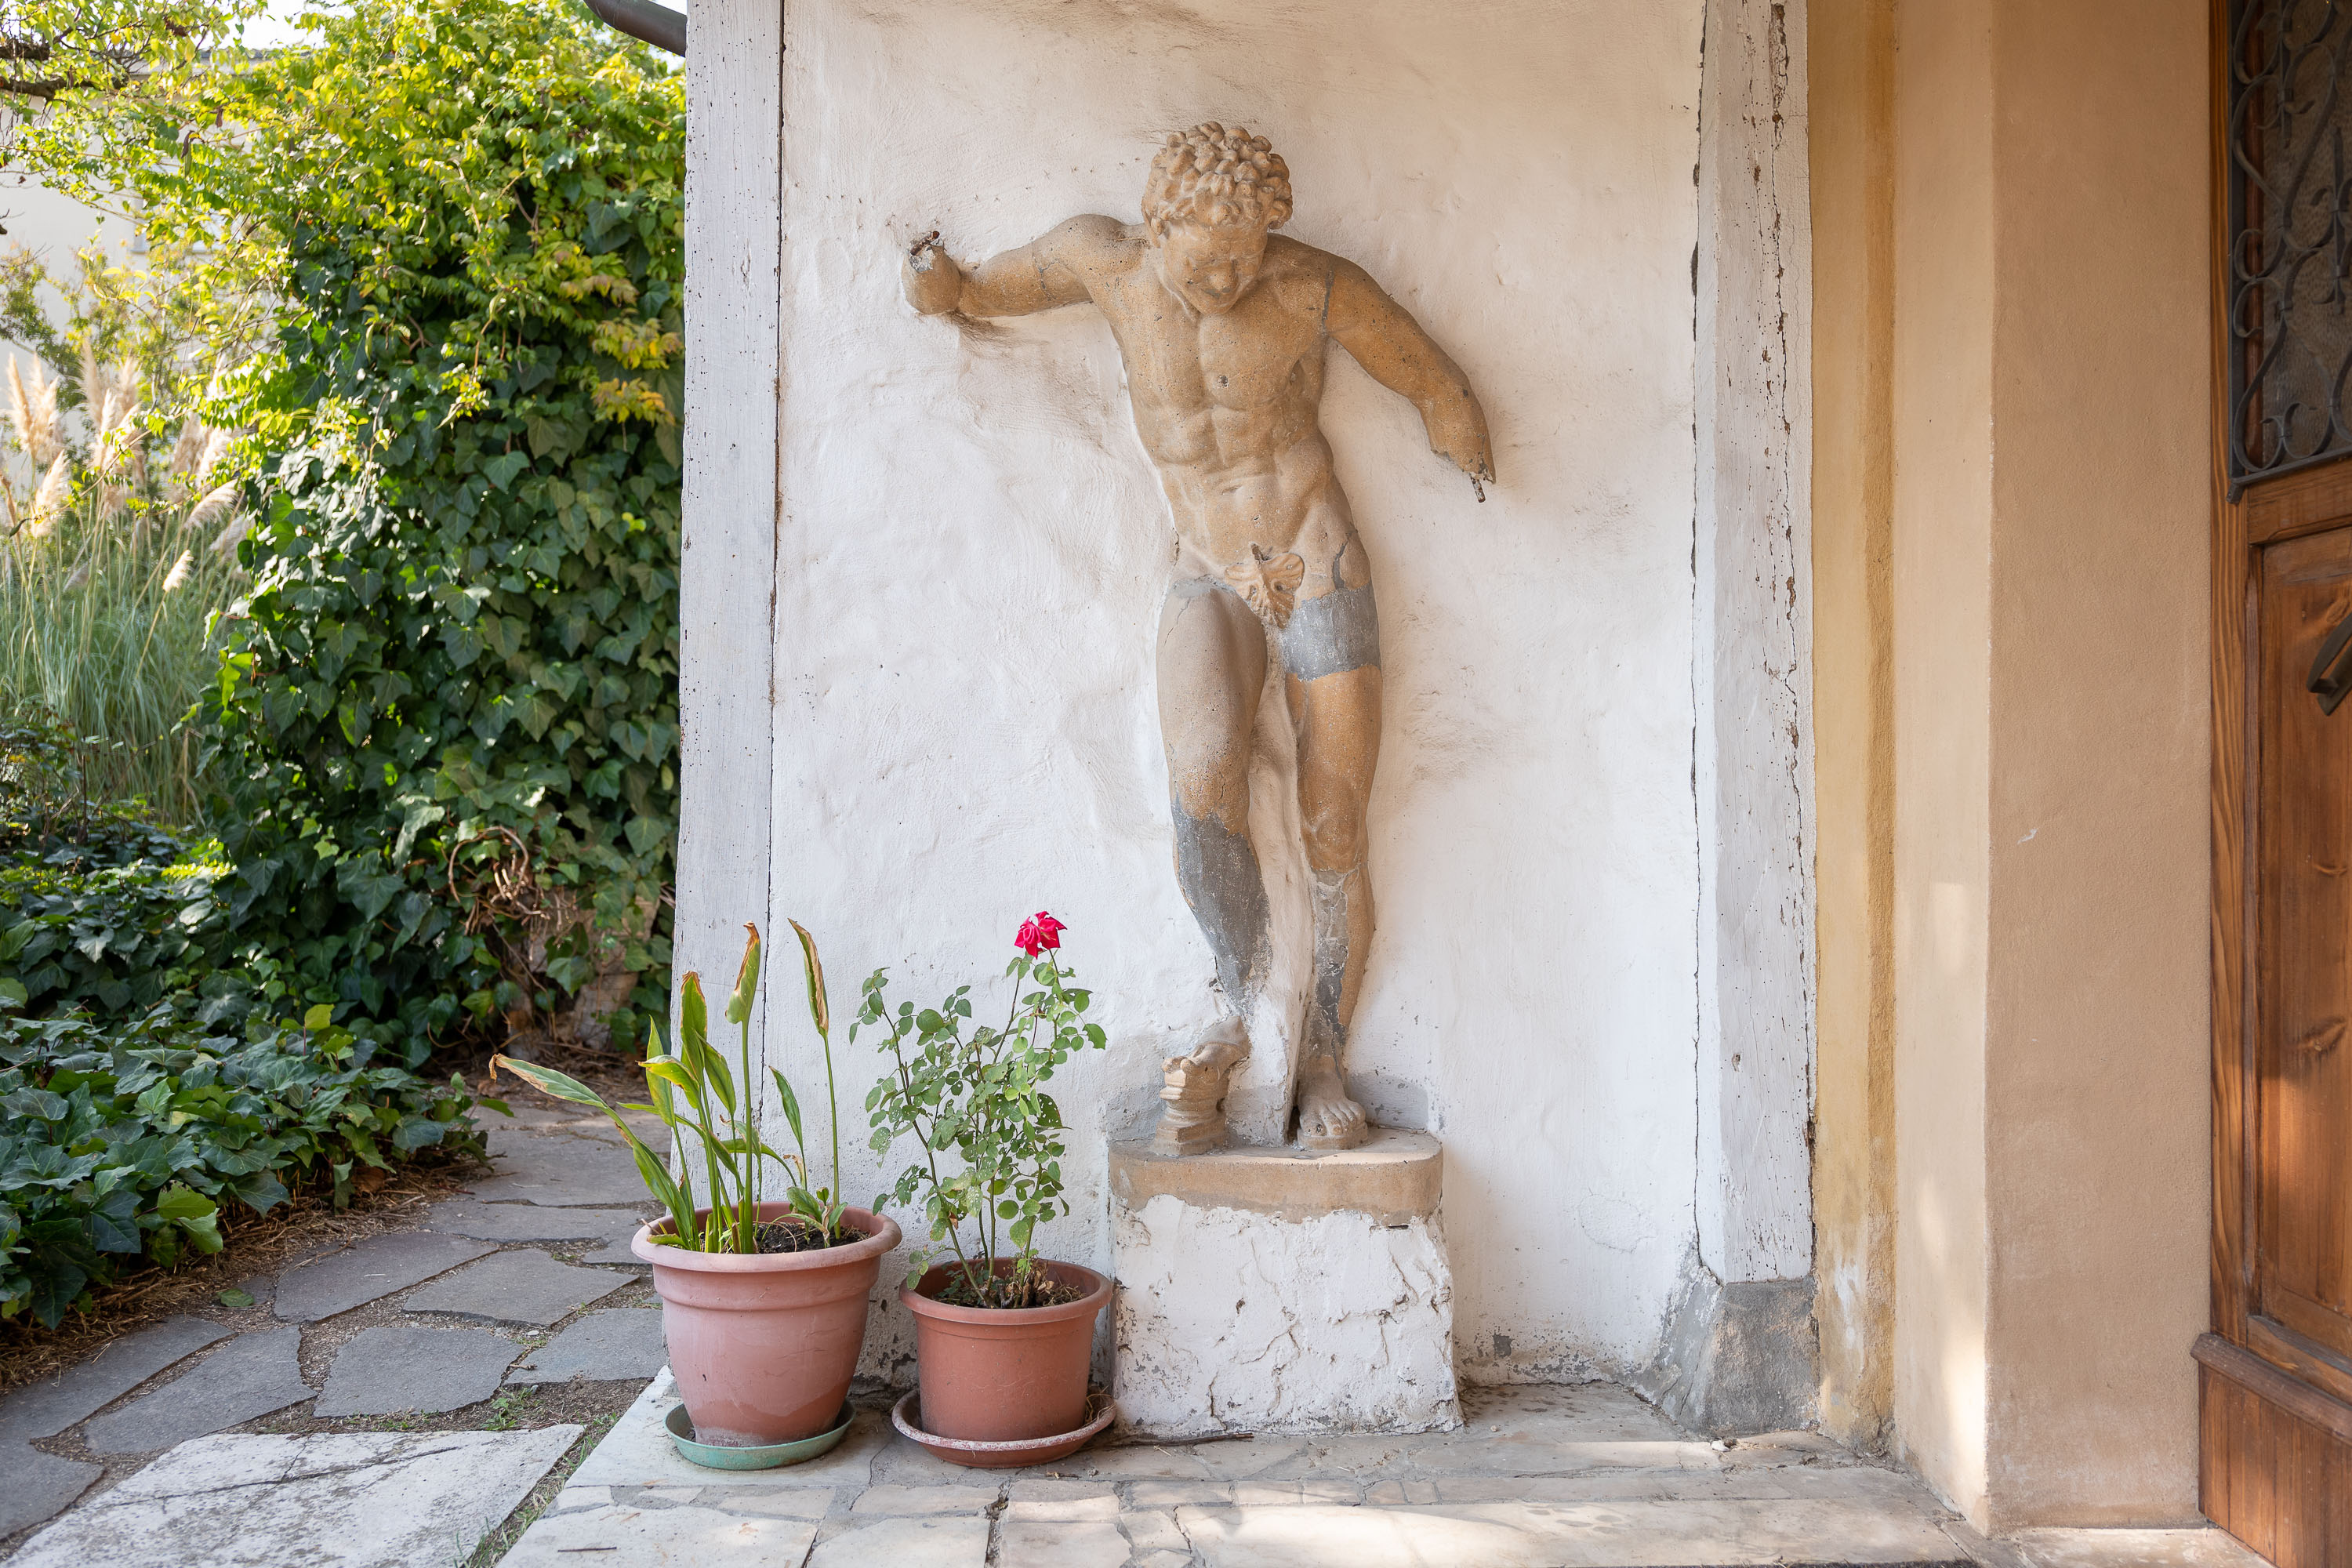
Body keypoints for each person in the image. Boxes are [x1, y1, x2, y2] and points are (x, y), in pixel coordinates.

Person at [902, 122, 1494, 1149]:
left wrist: (1460, 422)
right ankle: (1236, 1005)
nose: (1227, 275)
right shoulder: (1106, 262)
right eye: (1205, 254)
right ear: (1159, 222)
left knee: (1336, 817)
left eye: (1246, 254)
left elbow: (1423, 369)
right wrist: (942, 285)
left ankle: (1322, 1060)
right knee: (1203, 776)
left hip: (1317, 560)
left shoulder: (1308, 285)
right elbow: (994, 289)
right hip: (1207, 568)